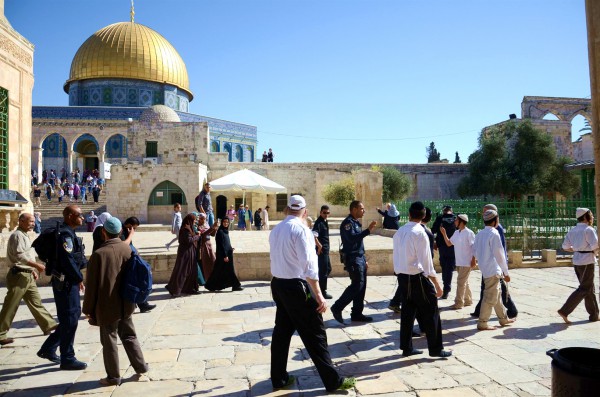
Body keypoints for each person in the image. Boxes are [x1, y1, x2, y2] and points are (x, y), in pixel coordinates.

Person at [269, 195, 356, 392]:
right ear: (305, 211)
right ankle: (332, 381)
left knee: (281, 333)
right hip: (297, 287)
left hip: (279, 285)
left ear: (286, 210)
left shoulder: (276, 230)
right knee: (315, 333)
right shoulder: (302, 230)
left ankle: (279, 378)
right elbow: (309, 266)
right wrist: (318, 294)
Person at [82, 217, 149, 386]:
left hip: (106, 305)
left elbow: (91, 286)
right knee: (129, 335)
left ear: (103, 232)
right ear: (120, 231)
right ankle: (141, 367)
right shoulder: (128, 249)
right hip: (126, 302)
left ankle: (113, 377)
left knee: (109, 340)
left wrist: (87, 308)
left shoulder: (98, 255)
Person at [394, 201, 451, 358]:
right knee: (431, 312)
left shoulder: (399, 232)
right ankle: (436, 349)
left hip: (403, 277)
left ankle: (406, 347)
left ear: (409, 214)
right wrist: (437, 285)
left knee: (408, 312)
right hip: (418, 278)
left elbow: (396, 256)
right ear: (424, 215)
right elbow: (427, 264)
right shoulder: (420, 233)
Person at [38, 205, 88, 370]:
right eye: (80, 214)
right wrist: (79, 277)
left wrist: (78, 279)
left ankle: (48, 348)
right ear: (70, 216)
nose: (83, 217)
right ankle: (67, 357)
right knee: (70, 318)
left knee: (71, 318)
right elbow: (67, 261)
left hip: (69, 281)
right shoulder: (65, 235)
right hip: (65, 283)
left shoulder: (69, 233)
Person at [0, 213, 58, 348]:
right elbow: (19, 256)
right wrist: (36, 266)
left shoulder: (24, 235)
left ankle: (49, 325)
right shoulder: (17, 235)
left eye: (33, 221)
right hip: (19, 276)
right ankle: (1, 333)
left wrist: (32, 270)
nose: (33, 223)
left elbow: (25, 255)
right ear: (21, 221)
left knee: (36, 302)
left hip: (27, 275)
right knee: (11, 305)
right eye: (30, 221)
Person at [331, 200, 377, 324]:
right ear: (354, 209)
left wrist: (364, 259)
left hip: (360, 258)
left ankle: (357, 313)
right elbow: (351, 239)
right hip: (353, 259)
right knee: (357, 285)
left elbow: (359, 244)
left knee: (361, 287)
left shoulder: (356, 223)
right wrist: (368, 230)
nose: (364, 211)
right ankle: (337, 307)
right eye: (362, 208)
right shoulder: (348, 223)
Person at [471, 204, 518, 318]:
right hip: (493, 268)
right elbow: (497, 253)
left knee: (491, 292)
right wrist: (506, 272)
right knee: (493, 294)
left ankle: (507, 313)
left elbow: (498, 252)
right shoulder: (490, 232)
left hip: (491, 267)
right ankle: (504, 314)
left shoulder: (490, 232)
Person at [557, 207, 599, 323]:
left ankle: (594, 315)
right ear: (586, 217)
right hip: (587, 261)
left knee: (589, 288)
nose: (592, 217)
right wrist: (590, 251)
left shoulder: (573, 230)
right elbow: (595, 247)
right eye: (591, 215)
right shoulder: (589, 230)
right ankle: (565, 310)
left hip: (577, 261)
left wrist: (577, 249)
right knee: (585, 288)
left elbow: (565, 247)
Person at [166, 214, 217, 297]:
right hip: (185, 253)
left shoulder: (189, 228)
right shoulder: (184, 229)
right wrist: (197, 236)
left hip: (191, 252)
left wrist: (195, 234)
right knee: (182, 271)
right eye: (194, 220)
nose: (195, 222)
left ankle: (190, 289)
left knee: (192, 271)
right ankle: (173, 289)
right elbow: (188, 240)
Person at [439, 214, 476, 309]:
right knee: (464, 282)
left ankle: (459, 302)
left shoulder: (469, 233)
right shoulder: (457, 233)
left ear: (461, 222)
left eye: (456, 220)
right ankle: (468, 300)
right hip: (459, 262)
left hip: (466, 262)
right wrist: (444, 234)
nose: (454, 222)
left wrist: (473, 260)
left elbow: (474, 248)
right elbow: (448, 243)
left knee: (460, 282)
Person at [121, 217, 156, 313]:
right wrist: (131, 235)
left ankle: (143, 304)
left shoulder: (126, 231)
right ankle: (141, 304)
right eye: (134, 228)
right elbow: (124, 245)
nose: (134, 230)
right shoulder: (121, 231)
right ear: (130, 225)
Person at [205, 218, 243, 292]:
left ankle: (210, 285)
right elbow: (221, 245)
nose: (226, 223)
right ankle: (236, 285)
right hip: (223, 255)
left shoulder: (225, 231)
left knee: (219, 270)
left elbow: (226, 242)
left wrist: (230, 248)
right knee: (228, 270)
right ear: (222, 222)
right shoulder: (220, 232)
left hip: (228, 253)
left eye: (227, 222)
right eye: (224, 222)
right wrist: (225, 256)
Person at [431, 205, 457, 299]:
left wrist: (434, 241)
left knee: (444, 266)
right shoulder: (455, 218)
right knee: (450, 267)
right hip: (453, 246)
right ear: (451, 210)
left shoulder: (440, 218)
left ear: (444, 211)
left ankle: (445, 286)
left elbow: (433, 230)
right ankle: (447, 288)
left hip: (442, 246)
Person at [313, 205, 333, 299]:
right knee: (324, 270)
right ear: (321, 212)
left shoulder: (325, 221)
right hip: (322, 251)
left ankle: (319, 286)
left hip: (325, 250)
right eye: (324, 213)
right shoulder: (319, 223)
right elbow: (314, 235)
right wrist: (319, 246)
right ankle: (322, 291)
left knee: (328, 269)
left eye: (327, 213)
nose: (326, 214)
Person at [197, 213, 217, 281]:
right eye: (201, 218)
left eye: (204, 218)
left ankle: (213, 277)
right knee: (205, 263)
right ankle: (206, 278)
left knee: (213, 260)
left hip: (209, 245)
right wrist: (212, 228)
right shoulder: (198, 226)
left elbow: (212, 235)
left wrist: (215, 229)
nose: (202, 220)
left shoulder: (206, 224)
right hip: (203, 245)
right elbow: (203, 235)